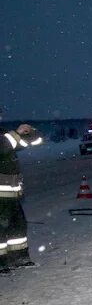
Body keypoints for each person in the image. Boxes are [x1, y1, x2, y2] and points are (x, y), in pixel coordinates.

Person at [0, 111, 43, 268]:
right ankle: (2, 263)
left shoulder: (4, 134)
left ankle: (19, 258)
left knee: (17, 225)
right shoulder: (5, 138)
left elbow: (34, 142)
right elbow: (4, 146)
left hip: (11, 192)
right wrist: (16, 133)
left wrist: (30, 132)